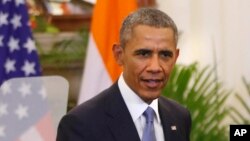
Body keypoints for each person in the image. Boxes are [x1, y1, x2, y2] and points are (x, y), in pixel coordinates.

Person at [56, 8, 192, 141]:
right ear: (119, 55)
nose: (155, 67)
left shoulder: (179, 117)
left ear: (175, 57)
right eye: (144, 54)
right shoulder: (81, 124)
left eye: (165, 55)